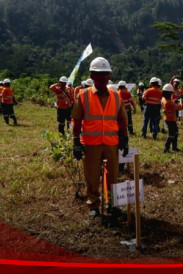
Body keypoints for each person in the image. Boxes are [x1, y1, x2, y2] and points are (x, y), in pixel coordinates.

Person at [71, 57, 129, 218]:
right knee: (92, 175)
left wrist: (124, 139)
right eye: (99, 74)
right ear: (92, 75)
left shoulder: (116, 96)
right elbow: (76, 121)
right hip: (91, 143)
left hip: (111, 143)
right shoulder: (82, 95)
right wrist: (76, 141)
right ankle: (94, 205)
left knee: (113, 175)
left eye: (106, 74)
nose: (104, 77)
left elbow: (122, 120)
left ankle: (112, 204)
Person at [162, 84, 183, 153]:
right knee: (171, 134)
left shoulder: (163, 99)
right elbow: (179, 108)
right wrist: (180, 101)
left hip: (168, 119)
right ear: (169, 93)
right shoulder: (170, 103)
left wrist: (174, 101)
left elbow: (171, 104)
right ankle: (166, 148)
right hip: (171, 120)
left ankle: (174, 147)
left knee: (176, 132)